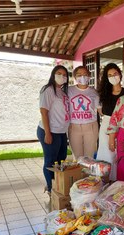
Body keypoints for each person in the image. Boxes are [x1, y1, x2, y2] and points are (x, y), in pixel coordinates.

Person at [37, 65, 70, 195]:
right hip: (50, 131)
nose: (61, 76)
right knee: (50, 161)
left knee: (61, 159)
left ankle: (57, 185)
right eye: (58, 73)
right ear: (53, 74)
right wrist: (47, 133)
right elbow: (44, 112)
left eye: (64, 74)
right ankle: (51, 188)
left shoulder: (61, 91)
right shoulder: (48, 90)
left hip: (61, 132)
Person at [96, 63, 124, 181]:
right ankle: (105, 182)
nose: (113, 76)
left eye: (115, 74)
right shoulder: (103, 94)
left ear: (120, 74)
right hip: (106, 125)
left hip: (123, 126)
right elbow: (101, 112)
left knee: (120, 155)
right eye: (109, 75)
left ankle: (118, 182)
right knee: (107, 154)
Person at [68, 66, 100, 160]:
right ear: (75, 77)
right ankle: (79, 175)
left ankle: (89, 175)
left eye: (85, 75)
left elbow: (100, 109)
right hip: (74, 126)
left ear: (89, 76)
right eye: (79, 75)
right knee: (77, 157)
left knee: (89, 157)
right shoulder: (68, 90)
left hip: (90, 126)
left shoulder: (94, 92)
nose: (82, 77)